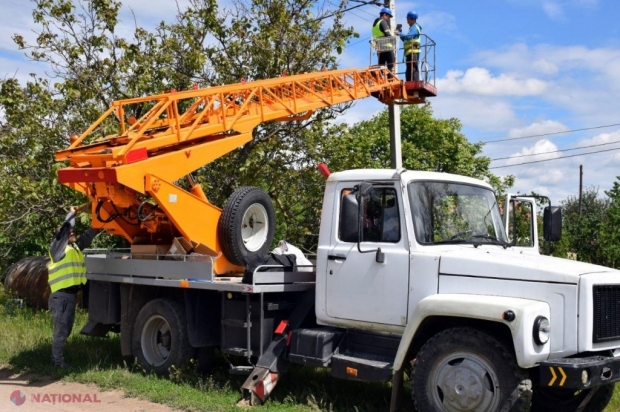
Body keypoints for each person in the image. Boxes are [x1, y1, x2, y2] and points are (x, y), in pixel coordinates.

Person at [47, 205, 99, 368]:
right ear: (61, 237)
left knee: (66, 330)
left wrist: (99, 222)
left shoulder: (74, 248)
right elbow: (65, 230)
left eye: (73, 232)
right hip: (61, 297)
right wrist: (72, 214)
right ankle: (57, 362)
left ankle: (57, 359)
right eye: (69, 233)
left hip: (69, 297)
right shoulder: (57, 249)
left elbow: (88, 236)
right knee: (61, 331)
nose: (72, 233)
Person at [400, 11, 423, 82]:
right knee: (409, 70)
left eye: (408, 19)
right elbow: (406, 39)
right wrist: (400, 35)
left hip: (413, 51)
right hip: (410, 52)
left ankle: (415, 82)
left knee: (413, 69)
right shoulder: (411, 28)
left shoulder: (415, 28)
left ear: (412, 19)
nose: (407, 21)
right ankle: (409, 82)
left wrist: (399, 33)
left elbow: (408, 37)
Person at [372, 7, 396, 74]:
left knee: (381, 67)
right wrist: (394, 39)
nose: (389, 19)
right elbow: (387, 34)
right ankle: (390, 81)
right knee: (391, 66)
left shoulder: (375, 25)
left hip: (379, 48)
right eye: (388, 17)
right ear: (385, 15)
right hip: (387, 47)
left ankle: (381, 80)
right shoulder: (383, 22)